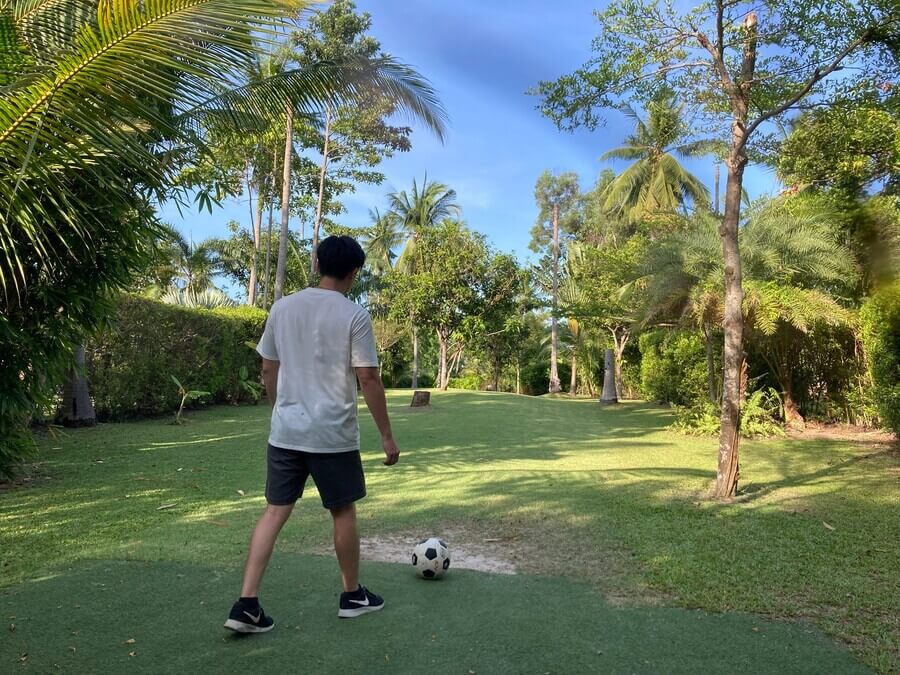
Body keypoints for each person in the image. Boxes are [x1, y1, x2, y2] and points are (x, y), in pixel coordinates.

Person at [224, 235, 400, 633]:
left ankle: (246, 603)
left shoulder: (282, 308)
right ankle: (352, 595)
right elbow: (368, 378)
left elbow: (269, 369)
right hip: (332, 435)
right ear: (354, 273)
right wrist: (387, 436)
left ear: (317, 262)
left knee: (274, 511)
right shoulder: (354, 315)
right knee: (343, 511)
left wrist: (280, 410)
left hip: (286, 432)